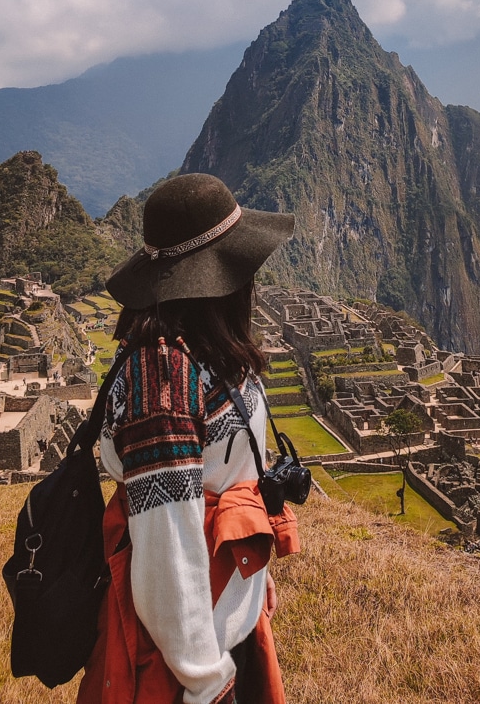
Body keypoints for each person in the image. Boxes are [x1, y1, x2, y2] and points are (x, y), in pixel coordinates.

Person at [76, 173, 299, 704]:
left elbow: (237, 476)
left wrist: (255, 581)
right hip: (190, 656)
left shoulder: (212, 354)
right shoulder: (162, 380)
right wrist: (205, 678)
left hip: (229, 614)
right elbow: (165, 549)